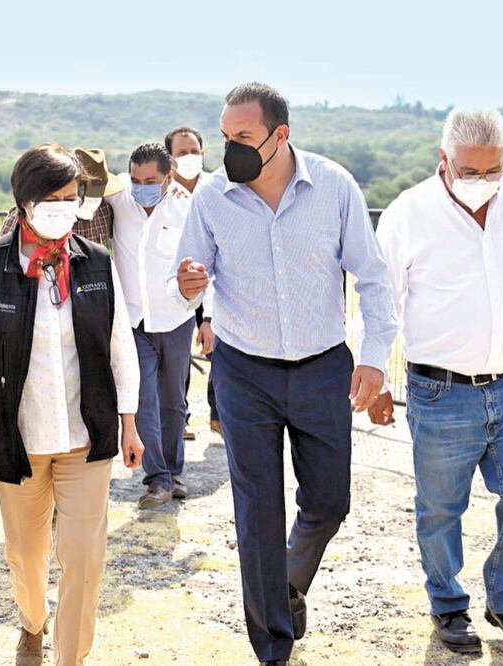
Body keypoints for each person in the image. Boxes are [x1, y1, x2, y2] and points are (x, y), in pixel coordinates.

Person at [172, 83, 396, 665]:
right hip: (244, 372)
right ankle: (273, 643)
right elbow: (188, 274)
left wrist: (374, 356)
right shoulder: (212, 199)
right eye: (225, 137)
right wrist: (189, 284)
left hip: (324, 368)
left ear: (280, 136)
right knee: (257, 509)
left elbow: (372, 277)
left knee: (330, 501)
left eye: (243, 138)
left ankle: (287, 583)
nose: (231, 150)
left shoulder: (335, 187)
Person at [368, 109, 503, 656]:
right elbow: (383, 303)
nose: (483, 181)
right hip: (440, 392)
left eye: (493, 170)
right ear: (444, 159)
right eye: (469, 170)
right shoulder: (410, 213)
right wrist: (378, 376)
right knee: (440, 508)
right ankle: (448, 605)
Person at [0, 144, 143, 666]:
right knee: (26, 556)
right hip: (18, 441)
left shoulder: (96, 264)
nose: (63, 205)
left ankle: (70, 658)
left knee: (84, 560)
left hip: (87, 437)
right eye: (51, 197)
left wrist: (129, 423)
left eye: (70, 195)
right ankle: (31, 623)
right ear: (25, 202)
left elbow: (120, 347)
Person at [107, 142, 210, 509]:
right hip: (133, 322)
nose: (142, 186)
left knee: (173, 401)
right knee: (143, 397)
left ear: (168, 177)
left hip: (177, 318)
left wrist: (207, 318)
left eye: (150, 179)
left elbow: (207, 262)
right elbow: (91, 183)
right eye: (135, 179)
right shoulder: (119, 201)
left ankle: (175, 472)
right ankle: (157, 480)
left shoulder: (187, 208)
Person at [164, 126, 220, 437]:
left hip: (210, 279)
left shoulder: (216, 187)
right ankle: (179, 417)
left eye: (194, 151)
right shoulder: (161, 193)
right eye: (182, 152)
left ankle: (218, 414)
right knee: (178, 354)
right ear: (169, 158)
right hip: (177, 282)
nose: (189, 157)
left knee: (219, 347)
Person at [0, 147, 123, 248]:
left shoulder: (106, 211)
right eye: (52, 199)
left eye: (96, 195)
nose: (91, 202)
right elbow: (2, 254)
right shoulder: (29, 214)